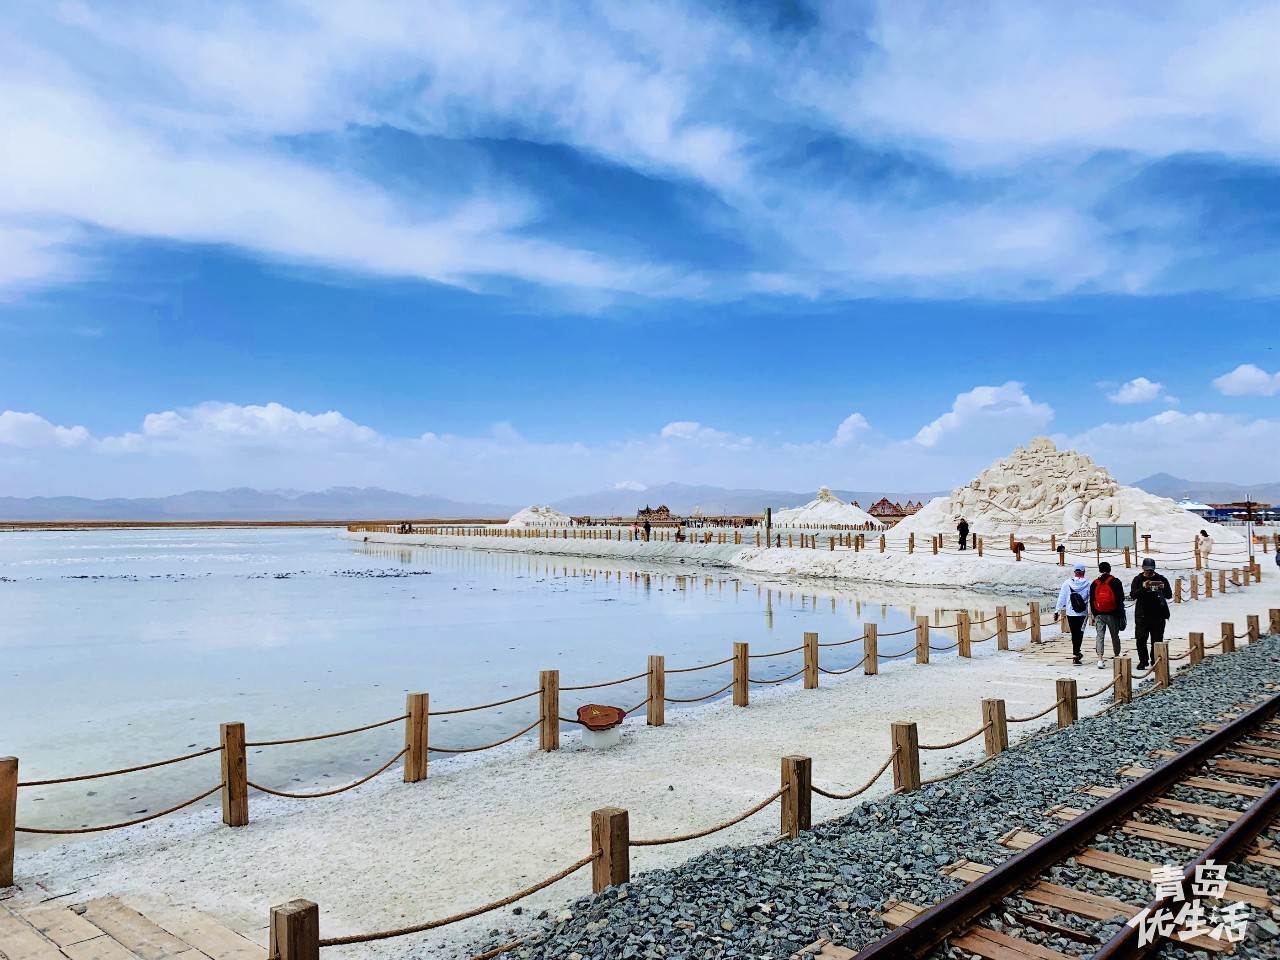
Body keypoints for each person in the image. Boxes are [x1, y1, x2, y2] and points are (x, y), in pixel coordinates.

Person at [1130, 558, 1173, 670]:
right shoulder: (1138, 579)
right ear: (1143, 568)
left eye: (1151, 570)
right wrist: (1144, 588)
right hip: (1142, 615)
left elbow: (1169, 595)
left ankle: (1155, 660)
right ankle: (1143, 661)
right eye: (1147, 570)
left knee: (1157, 639)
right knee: (1141, 639)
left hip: (1158, 615)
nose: (1149, 572)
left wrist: (1163, 588)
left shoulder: (1161, 579)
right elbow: (1133, 595)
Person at [1090, 561, 1126, 669]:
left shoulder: (1094, 583)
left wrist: (1094, 613)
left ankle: (1100, 659)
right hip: (1112, 613)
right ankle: (1117, 655)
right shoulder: (1115, 581)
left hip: (1099, 613)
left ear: (1100, 570)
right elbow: (1121, 598)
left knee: (1100, 635)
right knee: (1114, 635)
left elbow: (1092, 599)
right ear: (1110, 569)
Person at [1053, 562, 1091, 664]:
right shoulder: (1088, 584)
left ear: (1074, 572)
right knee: (1080, 633)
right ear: (1084, 572)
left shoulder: (1067, 583)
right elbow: (1092, 598)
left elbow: (1062, 597)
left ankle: (1076, 653)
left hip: (1070, 612)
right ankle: (1076, 654)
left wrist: (1057, 611)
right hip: (1082, 613)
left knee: (1074, 633)